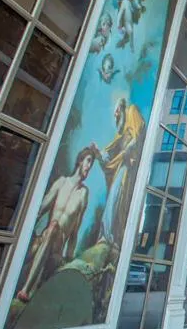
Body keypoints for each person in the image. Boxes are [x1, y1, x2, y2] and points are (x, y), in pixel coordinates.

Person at [16, 148, 95, 303]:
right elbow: (40, 210)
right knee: (33, 246)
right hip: (44, 238)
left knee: (53, 227)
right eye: (88, 161)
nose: (89, 167)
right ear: (80, 160)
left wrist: (69, 258)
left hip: (57, 247)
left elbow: (75, 231)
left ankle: (27, 290)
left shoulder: (83, 194)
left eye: (91, 164)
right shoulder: (61, 182)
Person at [92, 98, 145, 244]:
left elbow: (137, 136)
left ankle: (108, 236)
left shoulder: (132, 111)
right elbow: (108, 154)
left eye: (116, 111)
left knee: (117, 199)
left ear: (122, 109)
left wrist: (127, 150)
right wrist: (97, 153)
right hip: (122, 168)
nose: (115, 115)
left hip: (127, 168)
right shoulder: (120, 134)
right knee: (114, 199)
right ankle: (106, 235)